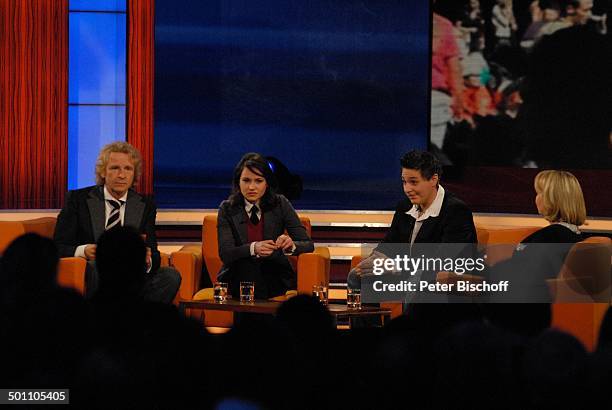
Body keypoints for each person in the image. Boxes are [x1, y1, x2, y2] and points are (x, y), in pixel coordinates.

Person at [53, 141, 180, 304]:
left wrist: (147, 259)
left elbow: (153, 252)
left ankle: (138, 322)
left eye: (128, 169)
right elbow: (58, 246)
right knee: (98, 267)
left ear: (134, 174)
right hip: (96, 270)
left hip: (132, 274)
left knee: (170, 276)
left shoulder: (145, 205)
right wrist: (83, 251)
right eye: (115, 168)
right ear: (103, 172)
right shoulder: (78, 200)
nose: (122, 175)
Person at [348, 150, 477, 289]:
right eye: (404, 182)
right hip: (408, 273)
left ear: (433, 179)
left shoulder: (455, 211)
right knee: (357, 276)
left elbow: (444, 262)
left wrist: (396, 266)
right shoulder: (405, 206)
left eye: (413, 182)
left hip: (442, 279)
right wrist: (376, 261)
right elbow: (389, 244)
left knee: (418, 281)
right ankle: (370, 312)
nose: (407, 189)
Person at [217, 153, 314, 299]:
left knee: (261, 274)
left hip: (273, 272)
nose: (251, 187)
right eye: (246, 180)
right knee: (248, 268)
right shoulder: (227, 209)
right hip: (238, 274)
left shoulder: (280, 203)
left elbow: (308, 244)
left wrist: (291, 245)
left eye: (258, 181)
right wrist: (253, 248)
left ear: (267, 183)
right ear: (238, 182)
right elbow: (226, 253)